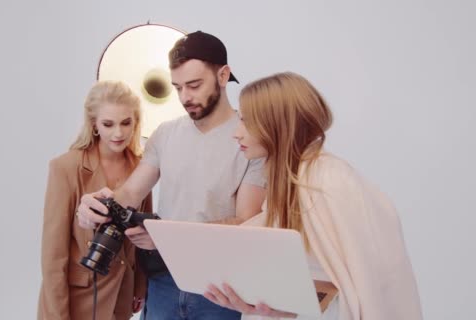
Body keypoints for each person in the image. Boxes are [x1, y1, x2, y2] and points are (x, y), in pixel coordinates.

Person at [76, 31, 267, 319]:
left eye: (194, 85)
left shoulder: (251, 138)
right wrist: (96, 204)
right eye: (177, 87)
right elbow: (129, 194)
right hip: (162, 281)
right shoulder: (166, 134)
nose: (184, 97)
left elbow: (244, 223)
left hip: (220, 290)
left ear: (223, 75)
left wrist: (166, 238)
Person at [203, 72, 423, 319]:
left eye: (246, 121)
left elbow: (368, 288)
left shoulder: (329, 182)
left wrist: (287, 308)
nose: (236, 133)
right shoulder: (290, 181)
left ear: (278, 123)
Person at [37, 80, 152, 320]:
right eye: (108, 124)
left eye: (126, 123)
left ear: (136, 122)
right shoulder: (66, 168)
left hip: (122, 297)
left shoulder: (142, 168)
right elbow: (53, 255)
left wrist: (140, 286)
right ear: (94, 125)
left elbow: (142, 236)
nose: (118, 133)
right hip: (77, 298)